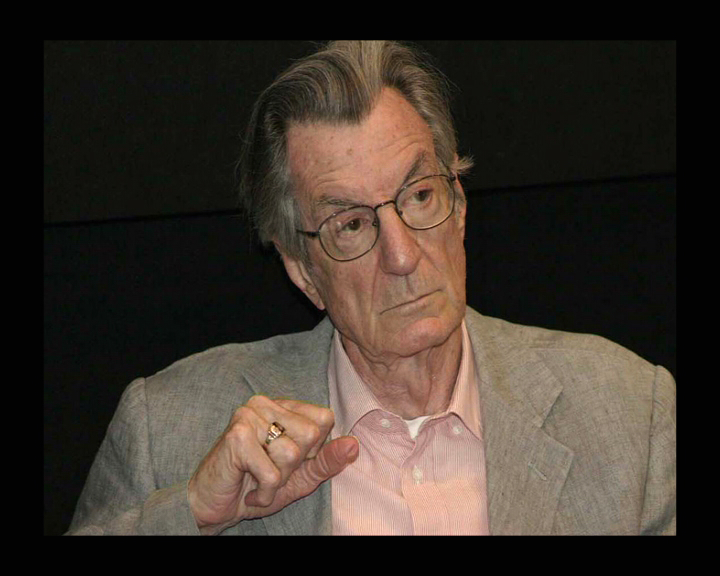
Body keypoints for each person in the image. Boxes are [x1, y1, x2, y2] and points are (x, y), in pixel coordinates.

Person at [67, 41, 676, 536]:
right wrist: (193, 516)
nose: (403, 255)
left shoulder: (628, 411)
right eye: (352, 225)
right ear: (303, 270)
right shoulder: (167, 430)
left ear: (460, 206)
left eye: (420, 195)